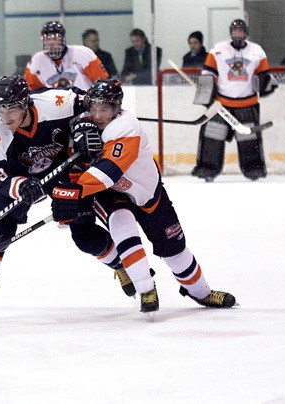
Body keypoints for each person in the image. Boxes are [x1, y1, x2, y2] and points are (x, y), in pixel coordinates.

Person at [0, 76, 135, 320]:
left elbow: (88, 102)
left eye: (12, 108)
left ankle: (122, 265)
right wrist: (20, 186)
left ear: (26, 103)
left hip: (64, 171)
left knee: (85, 236)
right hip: (21, 178)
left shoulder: (55, 102)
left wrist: (84, 124)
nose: (6, 117)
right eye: (0, 110)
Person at [50, 78, 237, 314]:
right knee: (121, 224)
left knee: (174, 250)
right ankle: (146, 288)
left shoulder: (126, 127)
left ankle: (201, 292)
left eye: (104, 109)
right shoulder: (83, 123)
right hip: (114, 193)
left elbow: (110, 169)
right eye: (93, 108)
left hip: (147, 193)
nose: (97, 114)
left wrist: (77, 191)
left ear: (117, 108)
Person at [191, 19, 278, 182]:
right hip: (221, 104)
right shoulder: (218, 50)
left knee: (249, 139)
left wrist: (267, 84)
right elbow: (208, 74)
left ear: (246, 33)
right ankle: (207, 169)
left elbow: (264, 75)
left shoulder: (257, 51)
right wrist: (206, 94)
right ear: (231, 32)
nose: (238, 33)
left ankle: (253, 169)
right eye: (235, 31)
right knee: (212, 136)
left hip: (247, 104)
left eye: (241, 31)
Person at [24, 21, 109, 90]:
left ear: (63, 40)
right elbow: (31, 92)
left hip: (84, 108)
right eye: (47, 39)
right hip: (55, 109)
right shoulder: (36, 62)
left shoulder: (83, 54)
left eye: (55, 38)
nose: (51, 43)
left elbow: (104, 83)